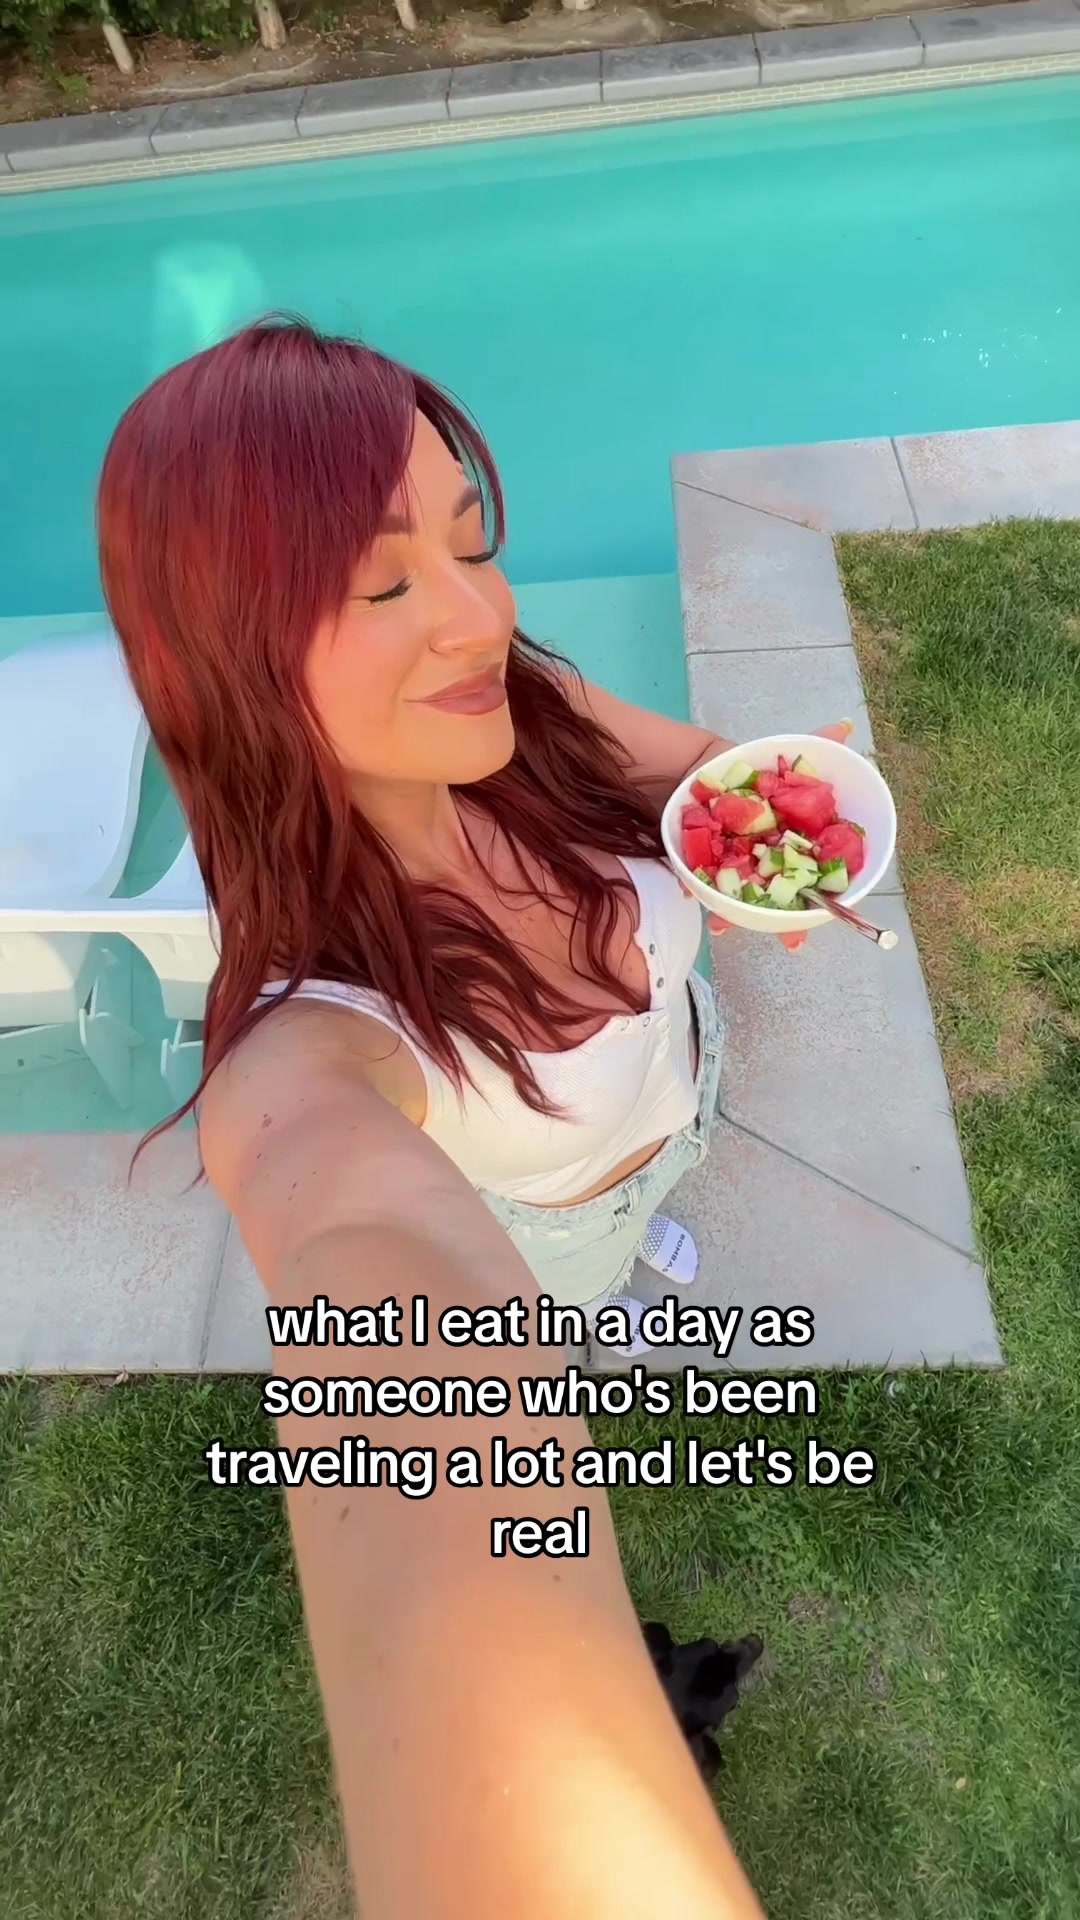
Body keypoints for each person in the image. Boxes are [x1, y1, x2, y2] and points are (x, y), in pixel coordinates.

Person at [97, 318, 847, 1919]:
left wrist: (767, 819)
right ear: (231, 654)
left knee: (652, 1195)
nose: (480, 615)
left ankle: (640, 1241)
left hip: (672, 1097)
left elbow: (700, 778)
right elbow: (356, 1235)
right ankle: (599, 1281)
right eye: (383, 586)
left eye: (471, 541)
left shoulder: (510, 704)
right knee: (560, 1298)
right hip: (536, 1229)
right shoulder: (317, 1039)